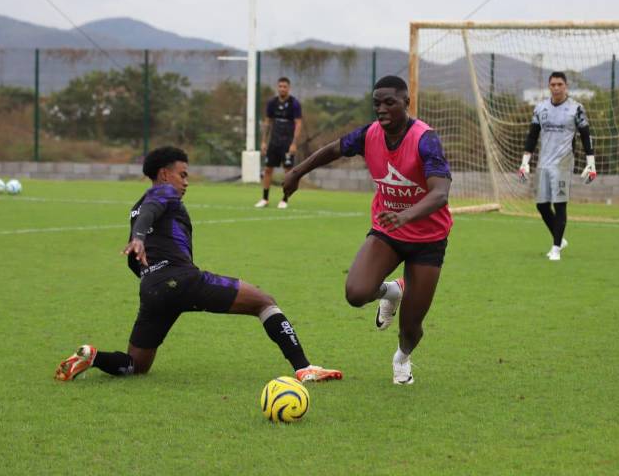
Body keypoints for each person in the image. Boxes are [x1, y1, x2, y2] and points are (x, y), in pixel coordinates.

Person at [55, 146, 341, 383]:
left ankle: (93, 356)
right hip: (181, 280)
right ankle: (304, 368)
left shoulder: (137, 207)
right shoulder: (163, 193)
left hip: (152, 289)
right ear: (164, 175)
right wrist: (140, 238)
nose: (186, 181)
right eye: (182, 174)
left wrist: (144, 257)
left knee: (136, 365)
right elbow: (151, 216)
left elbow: (135, 258)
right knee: (264, 301)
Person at [283, 75, 452, 385]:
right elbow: (334, 149)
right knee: (356, 293)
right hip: (388, 232)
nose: (382, 109)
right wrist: (296, 172)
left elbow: (440, 193)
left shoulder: (425, 139)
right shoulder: (368, 135)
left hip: (428, 239)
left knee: (411, 325)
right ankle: (392, 290)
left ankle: (402, 356)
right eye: (377, 103)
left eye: (390, 102)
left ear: (405, 103)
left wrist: (406, 216)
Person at [519, 71, 596, 261]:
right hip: (544, 163)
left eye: (559, 84)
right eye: (553, 84)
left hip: (564, 163)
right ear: (549, 87)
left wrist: (591, 163)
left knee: (560, 204)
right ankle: (560, 239)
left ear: (566, 86)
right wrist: (524, 162)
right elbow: (532, 136)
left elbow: (586, 135)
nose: (556, 88)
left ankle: (555, 248)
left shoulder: (576, 108)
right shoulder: (540, 109)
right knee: (541, 205)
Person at [255, 77, 303, 209]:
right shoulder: (272, 103)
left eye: (285, 87)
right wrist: (264, 141)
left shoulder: (294, 104)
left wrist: (294, 143)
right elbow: (267, 122)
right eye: (280, 86)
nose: (282, 89)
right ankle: (265, 198)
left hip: (287, 143)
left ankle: (284, 199)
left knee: (288, 171)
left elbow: (298, 124)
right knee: (268, 169)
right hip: (274, 142)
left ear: (289, 88)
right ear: (277, 87)